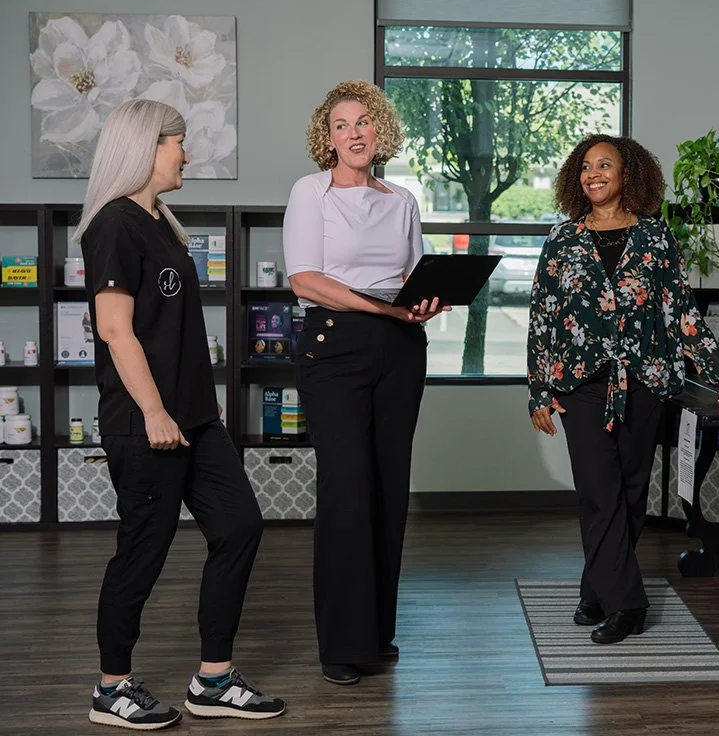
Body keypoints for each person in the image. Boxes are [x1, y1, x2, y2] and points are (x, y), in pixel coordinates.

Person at [78, 99, 285, 729]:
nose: (186, 154)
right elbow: (116, 330)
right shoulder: (114, 224)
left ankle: (213, 680)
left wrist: (193, 402)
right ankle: (112, 688)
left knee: (240, 527)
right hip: (148, 423)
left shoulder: (161, 222)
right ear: (147, 145)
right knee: (143, 550)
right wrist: (154, 410)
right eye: (179, 142)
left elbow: (171, 330)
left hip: (193, 419)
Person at [527, 134, 719, 645]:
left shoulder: (655, 237)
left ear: (628, 173)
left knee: (630, 494)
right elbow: (543, 317)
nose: (594, 174)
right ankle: (628, 604)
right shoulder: (562, 239)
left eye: (604, 165)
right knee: (598, 492)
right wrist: (539, 390)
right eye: (586, 167)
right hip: (582, 384)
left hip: (645, 382)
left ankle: (596, 589)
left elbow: (681, 317)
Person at [283, 80, 447, 686]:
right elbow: (304, 280)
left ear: (380, 130)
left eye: (363, 122)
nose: (353, 133)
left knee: (387, 488)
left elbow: (410, 273)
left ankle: (377, 632)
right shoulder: (311, 193)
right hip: (334, 346)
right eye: (340, 125)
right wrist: (385, 309)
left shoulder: (401, 199)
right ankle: (341, 645)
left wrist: (426, 302)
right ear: (327, 139)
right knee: (347, 489)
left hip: (401, 348)